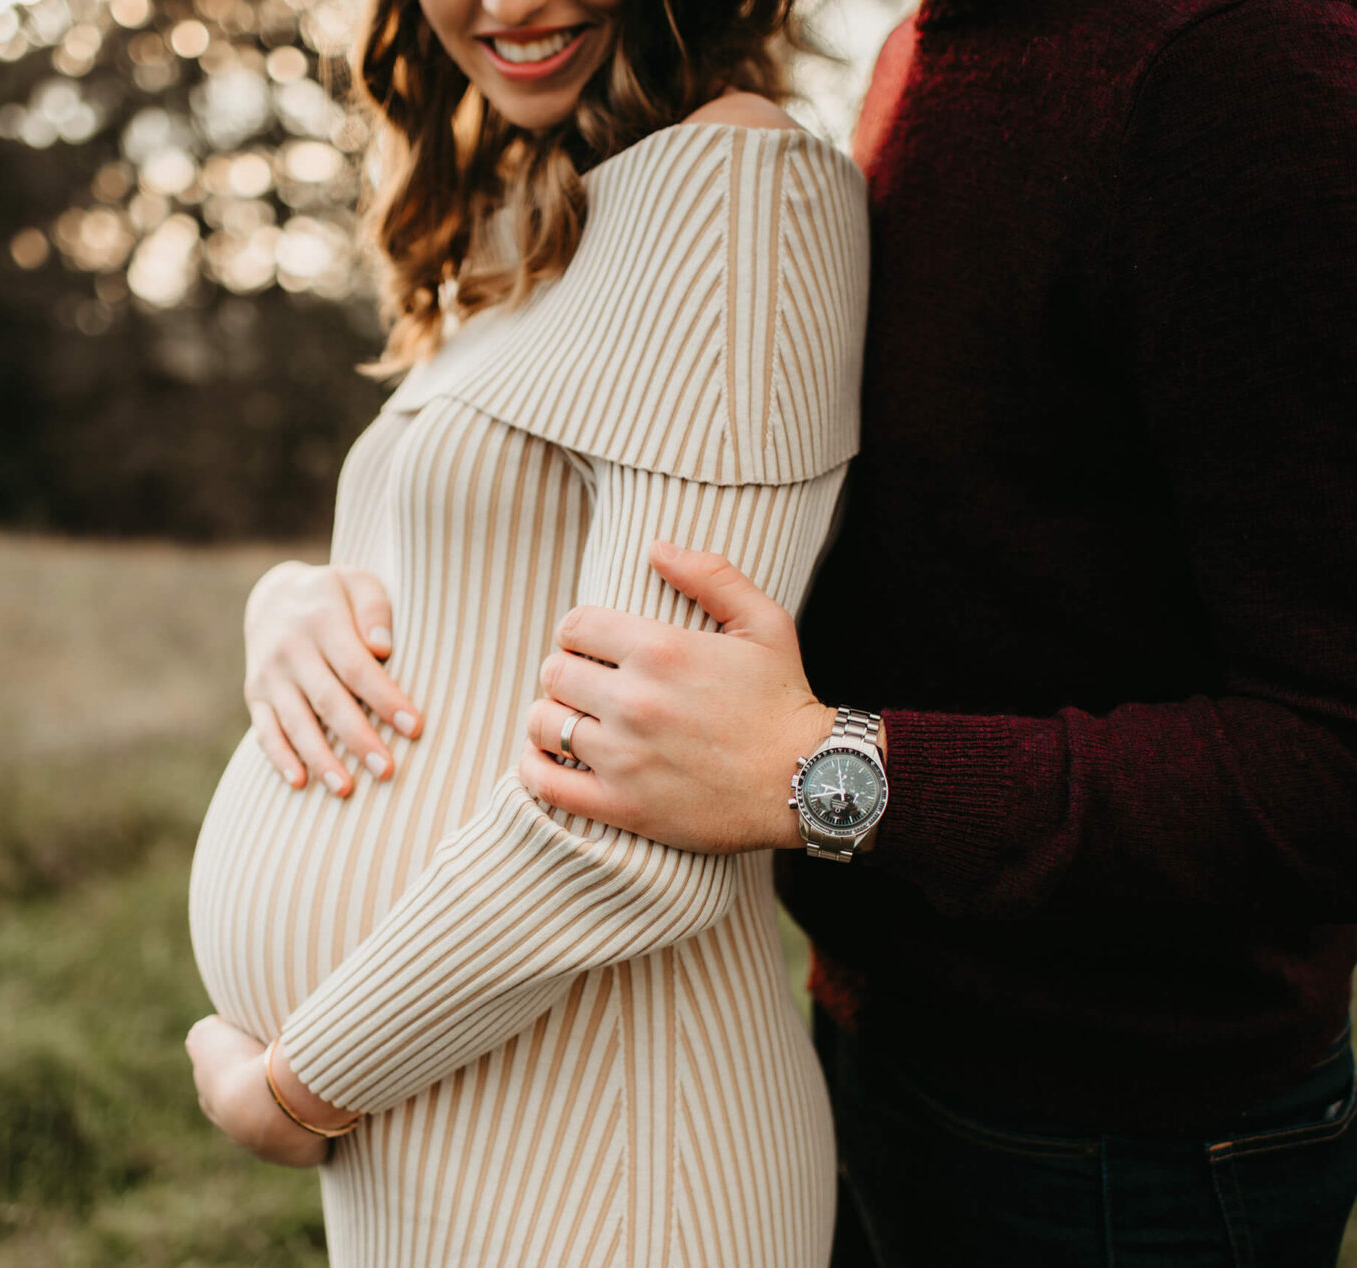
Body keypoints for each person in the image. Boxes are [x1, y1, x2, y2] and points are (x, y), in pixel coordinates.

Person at [509, 0, 1357, 1264]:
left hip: (1125, 1152)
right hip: (875, 1047)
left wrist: (824, 771)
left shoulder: (1236, 66)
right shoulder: (925, 48)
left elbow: (1328, 757)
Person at [181, 0, 868, 1261]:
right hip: (455, 1132)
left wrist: (297, 1084)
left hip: (607, 1158)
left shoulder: (737, 195)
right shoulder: (546, 205)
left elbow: (645, 806)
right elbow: (466, 587)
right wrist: (288, 599)